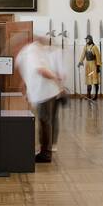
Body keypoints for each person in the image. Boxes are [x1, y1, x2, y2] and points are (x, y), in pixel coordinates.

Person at [17, 35, 64, 163]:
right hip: (43, 92)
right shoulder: (29, 52)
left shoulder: (31, 51)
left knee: (45, 122)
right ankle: (44, 151)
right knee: (44, 121)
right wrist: (24, 86)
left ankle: (46, 154)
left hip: (45, 93)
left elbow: (41, 70)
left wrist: (56, 78)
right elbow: (30, 72)